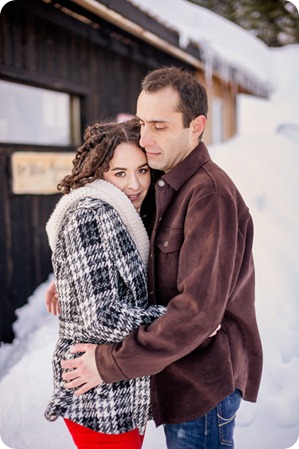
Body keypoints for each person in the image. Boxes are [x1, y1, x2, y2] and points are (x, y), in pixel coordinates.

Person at [56, 67, 263, 449]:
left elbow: (198, 315)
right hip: (174, 376)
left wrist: (107, 364)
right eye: (141, 123)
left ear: (196, 126)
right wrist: (71, 280)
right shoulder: (164, 181)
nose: (146, 138)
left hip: (201, 387)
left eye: (160, 126)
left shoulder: (208, 195)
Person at [44, 118, 168, 449]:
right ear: (99, 173)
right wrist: (180, 321)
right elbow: (101, 317)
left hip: (122, 387)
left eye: (142, 170)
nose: (135, 184)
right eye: (120, 173)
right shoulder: (89, 214)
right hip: (98, 397)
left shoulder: (125, 213)